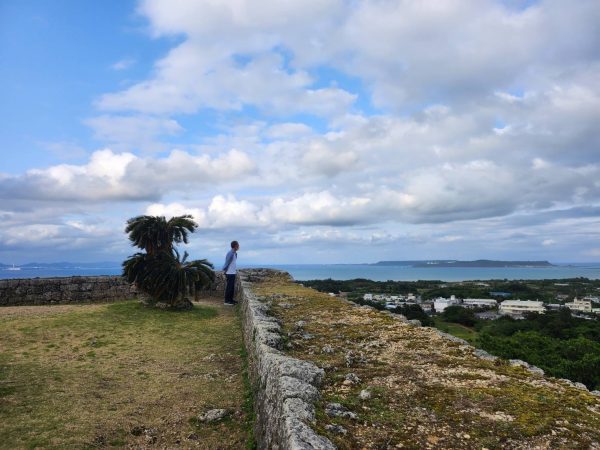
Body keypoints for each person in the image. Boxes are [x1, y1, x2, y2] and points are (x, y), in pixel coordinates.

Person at [222, 240, 239, 305]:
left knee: (232, 288)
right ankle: (226, 301)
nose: (238, 246)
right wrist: (225, 271)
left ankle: (231, 300)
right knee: (229, 287)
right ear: (235, 246)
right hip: (229, 273)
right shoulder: (230, 253)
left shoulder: (235, 253)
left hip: (233, 273)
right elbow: (227, 262)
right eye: (238, 245)